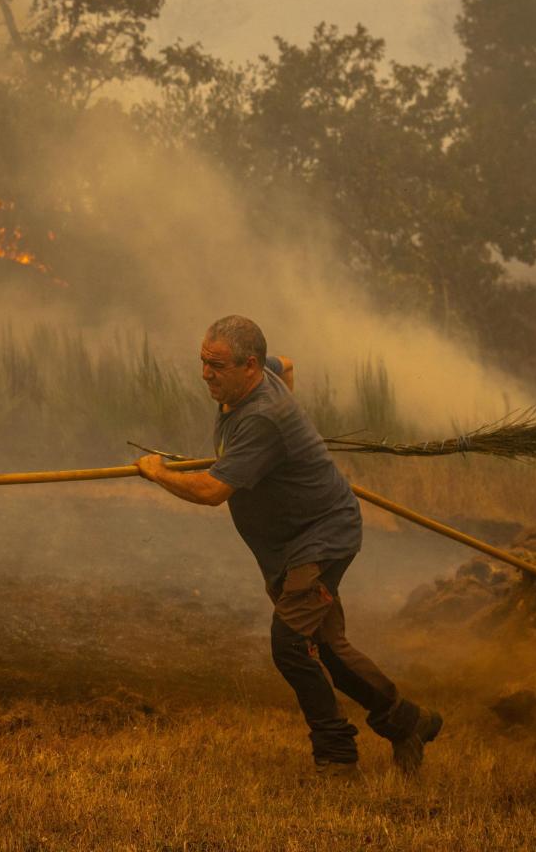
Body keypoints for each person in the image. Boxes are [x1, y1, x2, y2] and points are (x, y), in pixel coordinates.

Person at [134, 315, 440, 777]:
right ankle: (407, 722)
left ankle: (336, 756)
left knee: (290, 645)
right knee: (330, 647)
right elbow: (289, 366)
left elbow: (211, 492)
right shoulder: (265, 379)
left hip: (321, 538)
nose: (205, 375)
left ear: (250, 366)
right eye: (202, 362)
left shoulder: (263, 419)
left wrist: (157, 472)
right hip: (291, 542)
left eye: (216, 366)